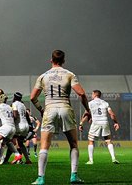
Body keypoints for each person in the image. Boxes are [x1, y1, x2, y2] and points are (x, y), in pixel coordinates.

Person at [30, 50, 91, 185]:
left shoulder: (43, 76)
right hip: (65, 108)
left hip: (50, 109)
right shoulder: (69, 74)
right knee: (73, 144)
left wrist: (41, 109)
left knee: (45, 146)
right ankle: (74, 176)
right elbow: (81, 93)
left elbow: (32, 97)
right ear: (64, 61)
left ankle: (41, 178)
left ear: (51, 60)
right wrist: (88, 110)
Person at [79, 90, 120, 165]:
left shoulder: (90, 103)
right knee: (108, 140)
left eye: (92, 94)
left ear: (94, 94)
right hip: (105, 122)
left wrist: (81, 124)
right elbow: (112, 114)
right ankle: (113, 158)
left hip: (96, 123)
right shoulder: (105, 103)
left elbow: (86, 114)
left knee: (91, 141)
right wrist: (116, 123)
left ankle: (91, 160)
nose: (91, 95)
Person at [6, 92, 32, 164]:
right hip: (26, 126)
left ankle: (14, 157)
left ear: (15, 97)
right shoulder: (23, 105)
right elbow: (27, 115)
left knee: (9, 141)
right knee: (20, 143)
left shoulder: (14, 104)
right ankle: (27, 160)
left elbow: (15, 115)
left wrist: (10, 121)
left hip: (19, 126)